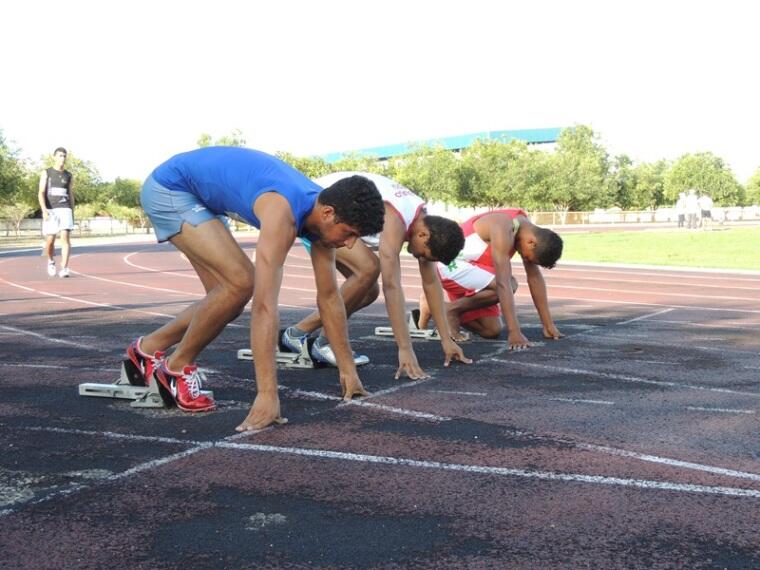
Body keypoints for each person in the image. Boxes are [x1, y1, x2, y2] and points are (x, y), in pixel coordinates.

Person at [125, 147, 385, 431]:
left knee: (226, 298)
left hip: (202, 195)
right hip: (171, 187)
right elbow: (264, 306)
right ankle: (176, 368)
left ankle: (147, 349)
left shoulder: (321, 215)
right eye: (349, 234)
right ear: (328, 213)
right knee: (241, 283)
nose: (350, 244)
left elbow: (330, 297)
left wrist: (348, 371)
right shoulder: (282, 212)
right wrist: (267, 395)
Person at [281, 172, 471, 380]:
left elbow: (431, 283)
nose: (419, 258)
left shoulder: (425, 221)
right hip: (321, 213)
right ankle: (317, 340)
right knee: (369, 268)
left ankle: (301, 335)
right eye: (423, 254)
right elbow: (392, 286)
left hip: (339, 213)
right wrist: (405, 349)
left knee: (369, 291)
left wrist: (446, 339)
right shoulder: (395, 221)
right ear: (423, 235)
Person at [418, 208, 564, 350]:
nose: (524, 257)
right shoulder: (502, 227)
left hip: (476, 272)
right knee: (510, 284)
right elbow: (502, 283)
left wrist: (548, 324)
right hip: (452, 265)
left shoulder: (526, 232)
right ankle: (450, 311)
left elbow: (534, 278)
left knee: (491, 330)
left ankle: (432, 305)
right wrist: (514, 332)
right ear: (531, 242)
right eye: (526, 257)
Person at [38, 147, 75, 277]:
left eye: (64, 156)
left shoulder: (68, 175)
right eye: (60, 155)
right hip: (50, 209)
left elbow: (71, 194)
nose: (62, 158)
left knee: (65, 237)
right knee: (50, 240)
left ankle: (64, 268)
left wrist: (72, 211)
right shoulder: (46, 172)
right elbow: (41, 192)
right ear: (54, 157)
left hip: (65, 208)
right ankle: (51, 261)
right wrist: (44, 210)